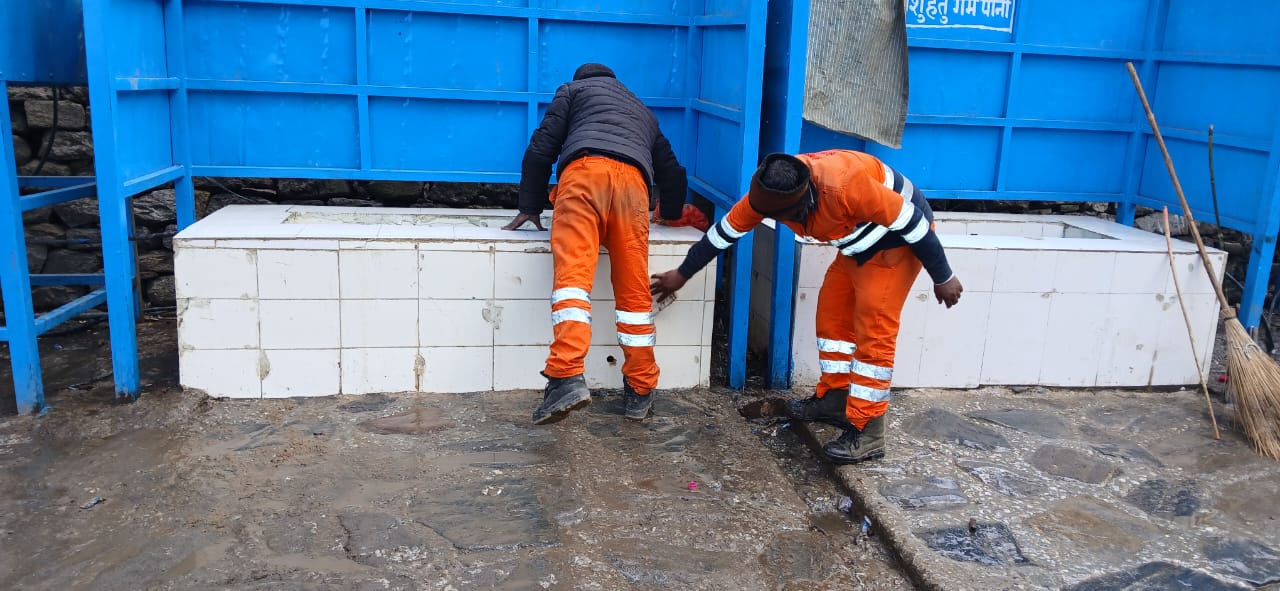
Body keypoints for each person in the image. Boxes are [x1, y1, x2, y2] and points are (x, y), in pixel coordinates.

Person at [650, 150, 963, 464]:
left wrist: (943, 276)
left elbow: (914, 224)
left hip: (897, 243)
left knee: (874, 332)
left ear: (803, 203)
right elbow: (723, 234)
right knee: (831, 319)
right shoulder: (766, 193)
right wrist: (682, 274)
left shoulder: (844, 186)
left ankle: (869, 431)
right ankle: (836, 400)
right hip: (856, 246)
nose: (779, 222)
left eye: (784, 217)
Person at [505, 63, 689, 425]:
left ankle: (566, 377)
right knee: (634, 296)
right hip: (634, 189)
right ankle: (640, 389)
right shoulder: (642, 111)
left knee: (573, 283)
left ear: (582, 80)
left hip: (584, 178)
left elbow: (540, 150)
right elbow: (672, 172)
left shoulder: (572, 91)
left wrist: (529, 206)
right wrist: (668, 214)